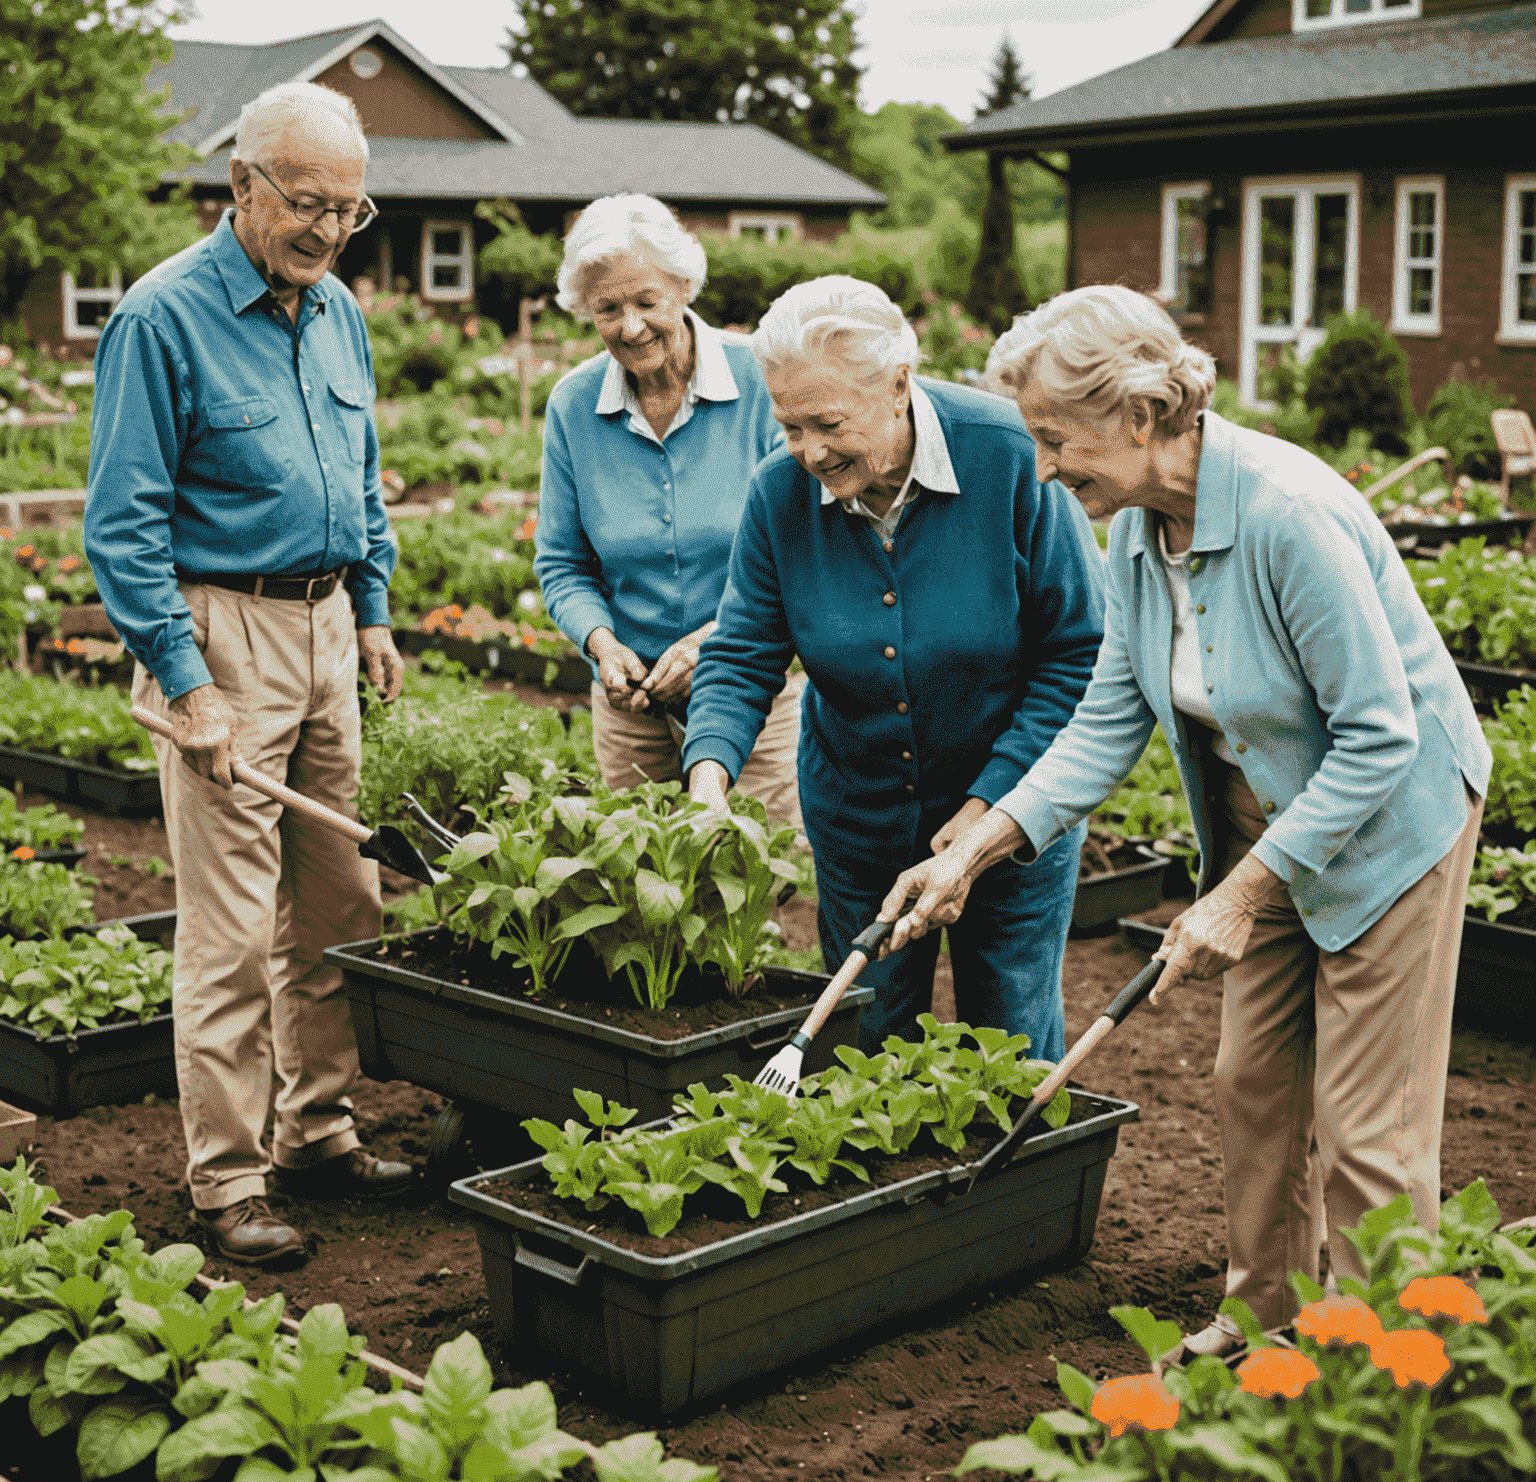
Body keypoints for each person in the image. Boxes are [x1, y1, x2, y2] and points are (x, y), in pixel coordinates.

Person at [878, 284, 1490, 1358]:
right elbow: (1106, 715)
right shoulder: (1134, 534)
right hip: (1272, 829)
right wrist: (979, 844)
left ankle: (1381, 1365)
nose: (1047, 467)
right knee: (1250, 1082)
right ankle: (1265, 1322)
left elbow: (1382, 738)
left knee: (1367, 1130)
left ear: (1144, 415)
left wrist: (1240, 895)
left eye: (1058, 439)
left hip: (1391, 826)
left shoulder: (1284, 517)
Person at [84, 81, 413, 1268]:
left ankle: (316, 1127)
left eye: (350, 207)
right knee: (227, 930)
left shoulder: (337, 313)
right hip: (223, 637)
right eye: (307, 203)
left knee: (339, 906)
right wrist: (189, 683)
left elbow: (362, 473)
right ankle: (228, 1179)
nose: (328, 229)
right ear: (243, 187)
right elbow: (123, 524)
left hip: (326, 630)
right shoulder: (162, 318)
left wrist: (371, 611)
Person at [682, 276, 1105, 1060]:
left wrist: (986, 813)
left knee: (1008, 1033)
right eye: (787, 425)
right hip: (860, 815)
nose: (808, 451)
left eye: (828, 423)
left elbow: (1079, 653)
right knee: (865, 1034)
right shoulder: (779, 494)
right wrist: (708, 784)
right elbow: (742, 652)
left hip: (1015, 816)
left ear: (900, 384)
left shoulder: (1011, 457)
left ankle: (1014, 1183)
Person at [533, 195, 802, 828]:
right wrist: (603, 646)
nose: (630, 327)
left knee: (759, 880)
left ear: (683, 287)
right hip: (632, 707)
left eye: (646, 301)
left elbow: (802, 555)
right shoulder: (573, 407)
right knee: (644, 889)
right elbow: (563, 564)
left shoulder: (762, 381)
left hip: (754, 692)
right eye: (607, 308)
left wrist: (712, 645)